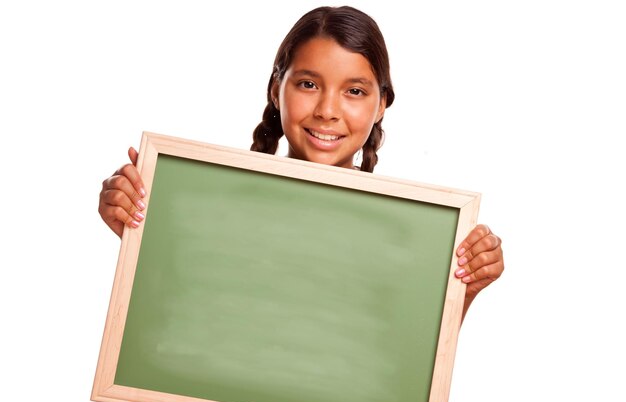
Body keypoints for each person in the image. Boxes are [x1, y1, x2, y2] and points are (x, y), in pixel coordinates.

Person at [98, 5, 504, 319]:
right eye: (308, 84)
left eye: (355, 91)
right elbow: (174, 321)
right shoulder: (204, 205)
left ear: (382, 104)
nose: (327, 110)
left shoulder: (412, 236)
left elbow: (404, 368)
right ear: (276, 90)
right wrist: (136, 234)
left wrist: (461, 291)